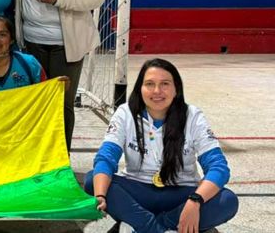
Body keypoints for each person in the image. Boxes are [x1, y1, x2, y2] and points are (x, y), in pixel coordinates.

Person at [84, 58, 239, 233]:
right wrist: (101, 196)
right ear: (140, 88)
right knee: (93, 181)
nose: (157, 91)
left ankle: (140, 224)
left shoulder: (193, 116)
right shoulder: (125, 113)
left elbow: (218, 167)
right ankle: (163, 229)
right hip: (137, 190)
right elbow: (106, 158)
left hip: (181, 194)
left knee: (227, 200)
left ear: (176, 89)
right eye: (149, 84)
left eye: (165, 84)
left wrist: (195, 200)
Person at [14, 0, 106, 150]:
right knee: (35, 105)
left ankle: (61, 162)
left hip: (66, 46)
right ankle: (38, 159)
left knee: (62, 106)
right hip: (31, 44)